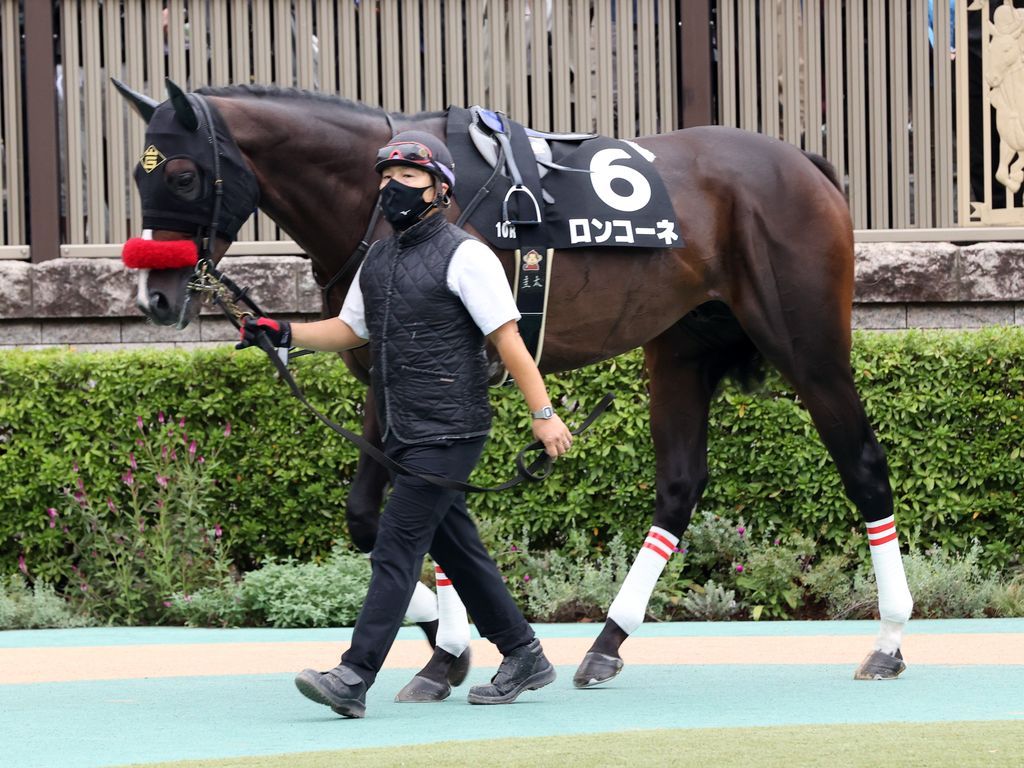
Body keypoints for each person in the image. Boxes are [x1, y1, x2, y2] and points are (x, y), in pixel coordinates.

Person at [237, 130, 573, 718]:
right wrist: (282, 333)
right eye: (387, 178)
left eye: (408, 178)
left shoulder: (467, 255)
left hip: (451, 430)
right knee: (458, 549)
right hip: (402, 432)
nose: (393, 187)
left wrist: (543, 415)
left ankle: (353, 675)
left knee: (395, 547)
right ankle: (523, 653)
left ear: (439, 189)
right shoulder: (378, 258)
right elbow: (350, 330)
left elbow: (510, 342)